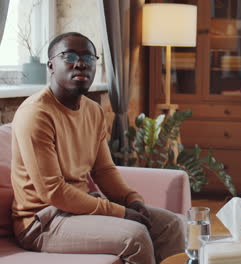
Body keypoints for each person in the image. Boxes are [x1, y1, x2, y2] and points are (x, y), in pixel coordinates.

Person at [10, 32, 184, 264]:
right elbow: (52, 192)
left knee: (171, 224)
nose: (81, 63)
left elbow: (104, 170)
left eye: (89, 58)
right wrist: (120, 212)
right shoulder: (36, 114)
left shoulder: (93, 110)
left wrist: (132, 200)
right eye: (69, 56)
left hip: (77, 209)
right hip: (42, 221)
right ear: (51, 65)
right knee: (135, 236)